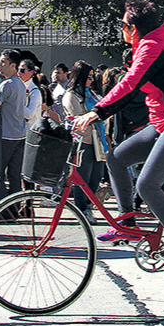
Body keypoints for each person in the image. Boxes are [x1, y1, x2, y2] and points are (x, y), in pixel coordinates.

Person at [72, 0, 164, 283]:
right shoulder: (146, 46)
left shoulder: (152, 48)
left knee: (147, 185)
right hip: (162, 124)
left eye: (123, 24)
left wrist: (97, 112)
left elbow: (129, 85)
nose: (120, 28)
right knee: (116, 159)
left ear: (133, 28)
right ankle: (127, 223)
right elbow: (131, 87)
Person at [62, 60, 107, 224]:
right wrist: (95, 118)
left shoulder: (92, 94)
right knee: (82, 178)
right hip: (82, 142)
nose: (91, 80)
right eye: (88, 77)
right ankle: (82, 209)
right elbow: (77, 118)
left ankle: (88, 206)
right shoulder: (70, 96)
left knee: (96, 177)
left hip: (98, 142)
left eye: (92, 76)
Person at [0, 49, 27, 213]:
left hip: (5, 136)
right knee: (15, 175)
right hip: (19, 134)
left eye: (3, 62)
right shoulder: (20, 84)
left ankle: (3, 211)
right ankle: (15, 209)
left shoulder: (6, 85)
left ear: (13, 65)